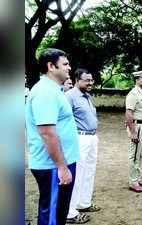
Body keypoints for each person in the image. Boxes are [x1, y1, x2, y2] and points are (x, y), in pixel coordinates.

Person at [25, 48, 80, 225]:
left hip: (59, 164)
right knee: (52, 216)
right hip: (52, 166)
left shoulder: (54, 90)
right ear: (50, 66)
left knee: (58, 213)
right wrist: (62, 168)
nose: (69, 68)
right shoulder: (45, 92)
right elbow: (47, 133)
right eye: (65, 64)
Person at [66, 69, 100, 223]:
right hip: (79, 139)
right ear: (77, 80)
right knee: (77, 174)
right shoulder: (70, 96)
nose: (90, 83)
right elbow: (64, 121)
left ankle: (83, 203)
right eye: (87, 80)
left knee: (89, 171)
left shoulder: (87, 96)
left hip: (92, 138)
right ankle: (70, 213)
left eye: (91, 80)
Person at [125, 69, 142, 192]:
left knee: (139, 155)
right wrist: (133, 132)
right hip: (137, 126)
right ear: (137, 79)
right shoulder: (133, 94)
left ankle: (136, 177)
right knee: (134, 155)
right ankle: (133, 182)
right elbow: (129, 113)